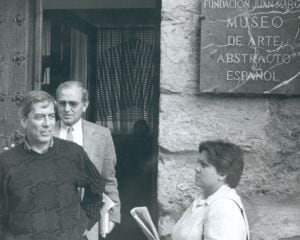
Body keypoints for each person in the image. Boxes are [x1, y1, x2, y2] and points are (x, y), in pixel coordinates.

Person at [0, 91, 105, 240]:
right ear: (24, 121)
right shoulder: (6, 161)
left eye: (51, 116)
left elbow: (97, 186)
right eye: (39, 117)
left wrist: (83, 223)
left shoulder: (73, 153)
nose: (47, 124)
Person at [53, 81, 120, 239]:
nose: (67, 109)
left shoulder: (101, 135)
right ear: (56, 104)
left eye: (73, 104)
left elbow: (108, 178)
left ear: (85, 105)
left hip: (88, 219)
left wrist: (114, 215)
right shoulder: (46, 133)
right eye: (62, 103)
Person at [171, 140, 250, 240]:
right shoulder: (205, 199)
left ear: (222, 173)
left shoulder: (224, 208)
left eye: (204, 165)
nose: (197, 168)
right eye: (198, 163)